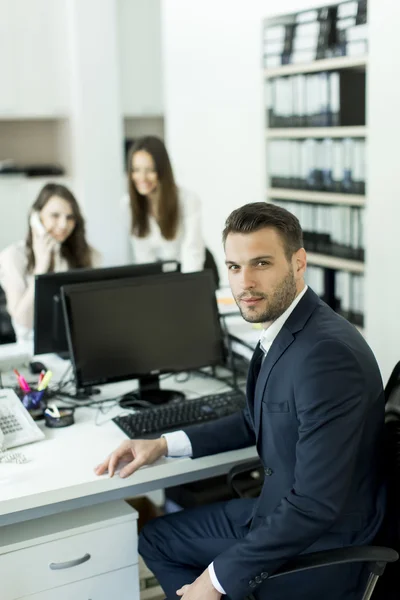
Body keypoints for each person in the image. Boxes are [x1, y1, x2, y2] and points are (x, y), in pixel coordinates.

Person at [95, 202, 386, 600]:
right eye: (234, 267)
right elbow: (255, 419)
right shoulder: (285, 330)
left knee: (188, 568)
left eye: (261, 264)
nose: (244, 282)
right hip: (276, 509)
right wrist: (164, 444)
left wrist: (214, 580)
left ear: (298, 263)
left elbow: (316, 505)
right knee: (157, 537)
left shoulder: (325, 355)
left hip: (322, 542)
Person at [0, 183, 101, 342]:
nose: (63, 225)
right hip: (32, 350)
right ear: (36, 217)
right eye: (55, 215)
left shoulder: (87, 254)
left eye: (70, 217)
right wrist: (41, 267)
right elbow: (23, 321)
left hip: (79, 343)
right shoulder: (13, 256)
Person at [122, 136, 205, 273]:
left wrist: (189, 285)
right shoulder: (127, 204)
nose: (142, 177)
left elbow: (192, 250)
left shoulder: (188, 199)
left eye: (150, 170)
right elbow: (142, 256)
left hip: (192, 268)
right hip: (161, 273)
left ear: (162, 170)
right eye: (136, 170)